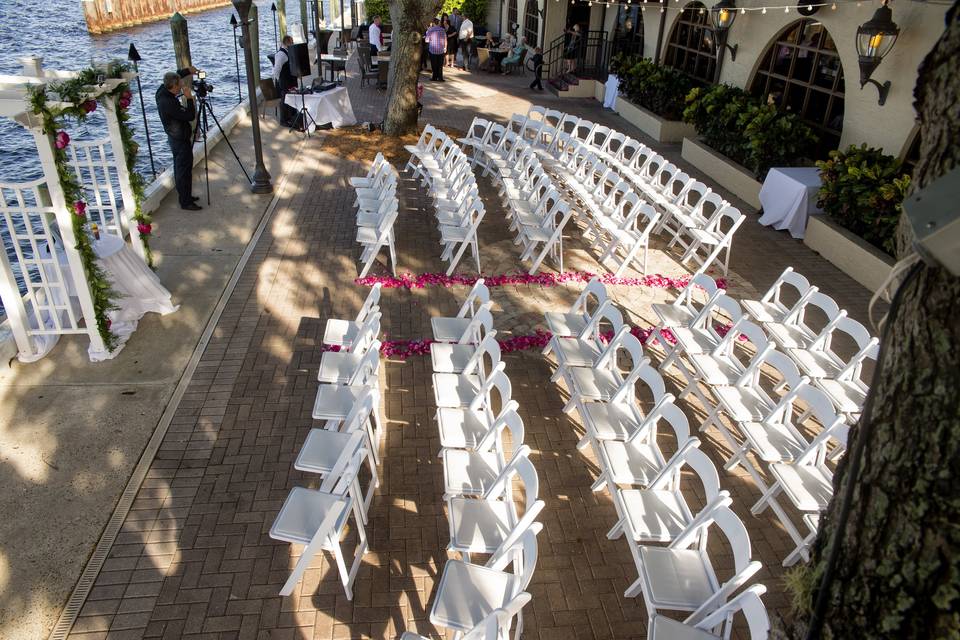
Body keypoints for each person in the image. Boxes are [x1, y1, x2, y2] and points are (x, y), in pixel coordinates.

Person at [156, 69, 200, 211]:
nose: (181, 87)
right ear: (173, 87)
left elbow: (175, 74)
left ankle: (185, 195)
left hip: (174, 138)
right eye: (179, 86)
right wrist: (188, 98)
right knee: (183, 170)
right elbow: (190, 116)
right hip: (179, 140)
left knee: (180, 167)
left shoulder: (162, 90)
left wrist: (189, 70)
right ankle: (185, 201)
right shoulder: (169, 103)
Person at [272, 35, 297, 126]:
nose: (293, 44)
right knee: (285, 99)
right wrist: (278, 81)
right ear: (287, 43)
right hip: (285, 80)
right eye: (291, 42)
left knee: (291, 97)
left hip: (290, 79)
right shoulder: (281, 54)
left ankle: (291, 116)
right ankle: (284, 120)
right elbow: (277, 69)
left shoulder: (288, 51)